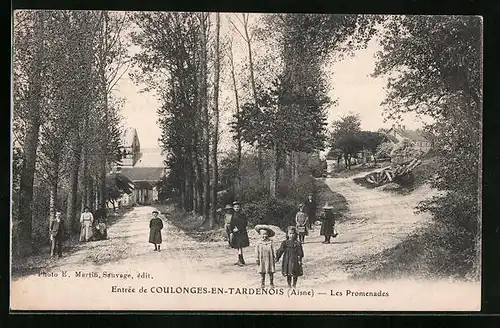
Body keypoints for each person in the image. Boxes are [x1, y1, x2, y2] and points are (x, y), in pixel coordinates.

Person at [229, 201, 250, 266]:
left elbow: (245, 223)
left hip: (241, 232)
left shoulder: (242, 215)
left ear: (240, 207)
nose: (236, 208)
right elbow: (231, 224)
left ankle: (240, 260)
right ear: (233, 208)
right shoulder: (233, 215)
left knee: (240, 246)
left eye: (238, 207)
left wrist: (238, 228)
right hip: (235, 233)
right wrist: (231, 231)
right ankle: (241, 260)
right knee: (238, 246)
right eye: (235, 207)